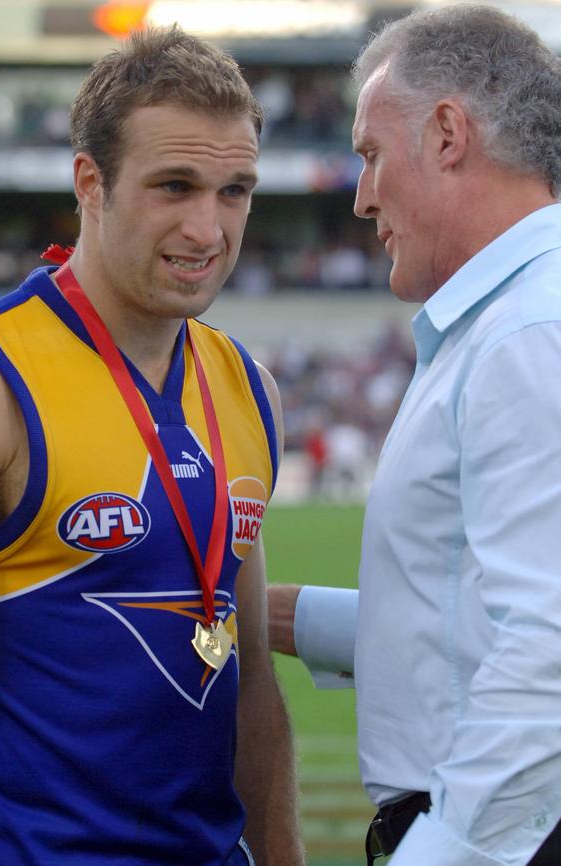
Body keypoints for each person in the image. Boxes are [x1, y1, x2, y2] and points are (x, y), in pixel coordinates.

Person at [0, 26, 304, 866]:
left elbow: (253, 680)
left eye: (235, 191)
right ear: (89, 182)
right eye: (175, 186)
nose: (209, 229)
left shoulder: (248, 389)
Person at [268, 5, 561, 865]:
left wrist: (443, 853)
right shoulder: (510, 320)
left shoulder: (526, 333)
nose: (361, 197)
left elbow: (546, 646)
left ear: (445, 134)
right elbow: (475, 616)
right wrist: (276, 617)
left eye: (370, 154)